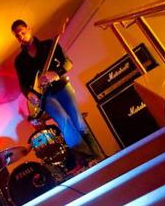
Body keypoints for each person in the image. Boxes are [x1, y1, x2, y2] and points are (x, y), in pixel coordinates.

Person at [11, 19, 103, 169]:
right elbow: (23, 84)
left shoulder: (49, 45)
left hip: (62, 87)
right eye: (17, 35)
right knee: (64, 121)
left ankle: (98, 157)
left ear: (29, 29)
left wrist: (56, 73)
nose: (21, 36)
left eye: (22, 32)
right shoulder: (19, 61)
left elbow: (68, 63)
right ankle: (88, 159)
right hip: (45, 96)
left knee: (78, 121)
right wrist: (29, 94)